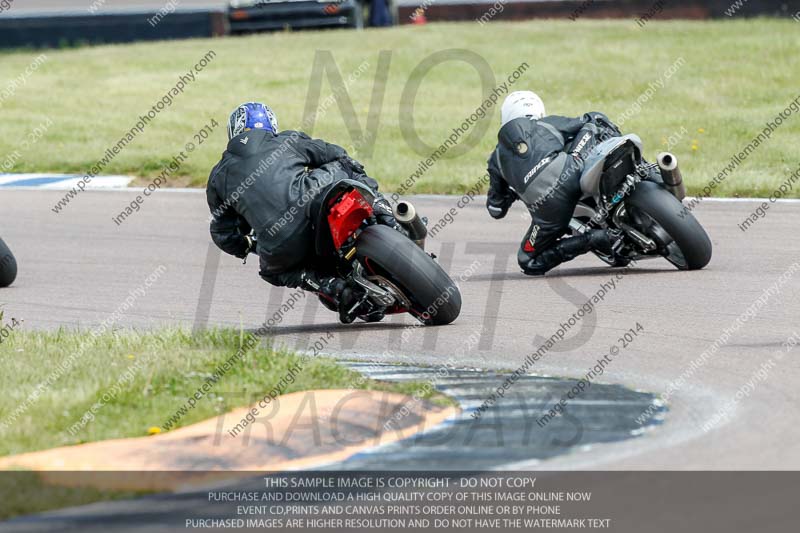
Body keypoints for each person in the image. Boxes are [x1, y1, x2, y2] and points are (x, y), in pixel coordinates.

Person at [206, 102, 398, 323]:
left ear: (233, 131)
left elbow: (223, 233)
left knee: (273, 271)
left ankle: (333, 287)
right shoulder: (287, 139)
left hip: (280, 243)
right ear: (271, 125)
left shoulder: (218, 176)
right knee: (346, 165)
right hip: (312, 206)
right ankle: (384, 211)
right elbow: (334, 153)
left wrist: (250, 246)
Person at [485, 91, 625, 276]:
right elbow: (586, 121)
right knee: (594, 120)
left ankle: (593, 239)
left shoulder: (496, 159)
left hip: (548, 212)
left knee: (528, 260)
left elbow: (496, 210)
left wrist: (511, 191)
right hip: (574, 172)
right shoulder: (548, 123)